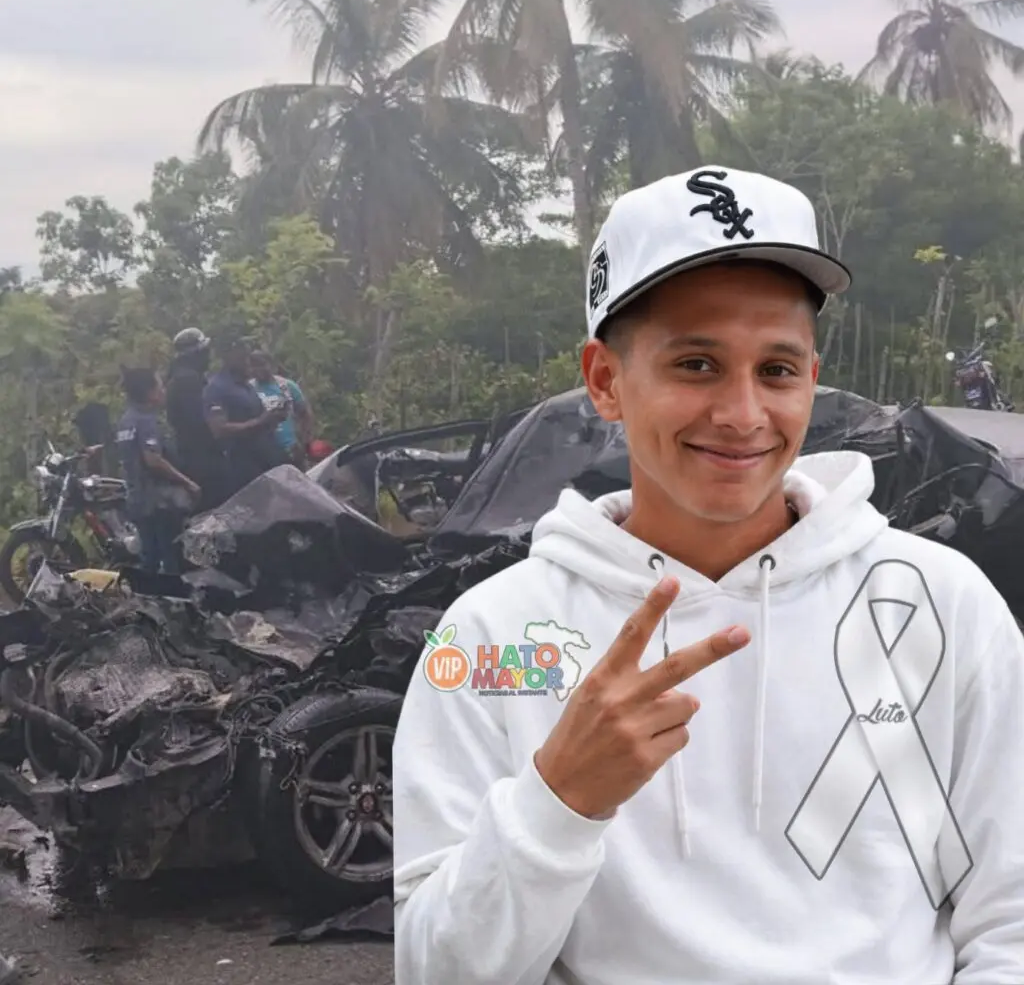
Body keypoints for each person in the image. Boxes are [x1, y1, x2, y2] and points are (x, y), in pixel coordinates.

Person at [392, 167, 1024, 983]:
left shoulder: (939, 607)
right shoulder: (495, 640)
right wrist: (558, 802)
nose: (742, 415)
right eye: (696, 364)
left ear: (812, 378)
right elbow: (435, 970)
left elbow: (1010, 916)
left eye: (777, 370)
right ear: (606, 381)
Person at [115, 367, 200, 574]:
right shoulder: (146, 420)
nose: (164, 391)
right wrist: (188, 483)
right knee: (169, 557)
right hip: (158, 503)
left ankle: (148, 590)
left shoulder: (126, 421)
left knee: (150, 557)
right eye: (160, 386)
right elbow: (153, 460)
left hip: (137, 499)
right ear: (149, 392)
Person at [202, 338, 290, 496]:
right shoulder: (216, 387)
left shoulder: (247, 385)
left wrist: (274, 417)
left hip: (266, 457)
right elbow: (219, 429)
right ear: (228, 357)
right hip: (242, 465)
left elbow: (260, 416)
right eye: (242, 357)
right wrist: (259, 422)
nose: (247, 362)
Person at [166, 326, 229, 511]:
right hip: (203, 459)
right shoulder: (188, 381)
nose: (208, 357)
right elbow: (201, 421)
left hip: (194, 455)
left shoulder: (180, 378)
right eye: (205, 352)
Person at [250, 350, 315, 469]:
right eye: (254, 365)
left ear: (271, 364)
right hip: (262, 453)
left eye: (262, 364)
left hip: (290, 449)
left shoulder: (286, 386)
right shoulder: (249, 389)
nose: (258, 369)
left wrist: (304, 443)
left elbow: (305, 414)